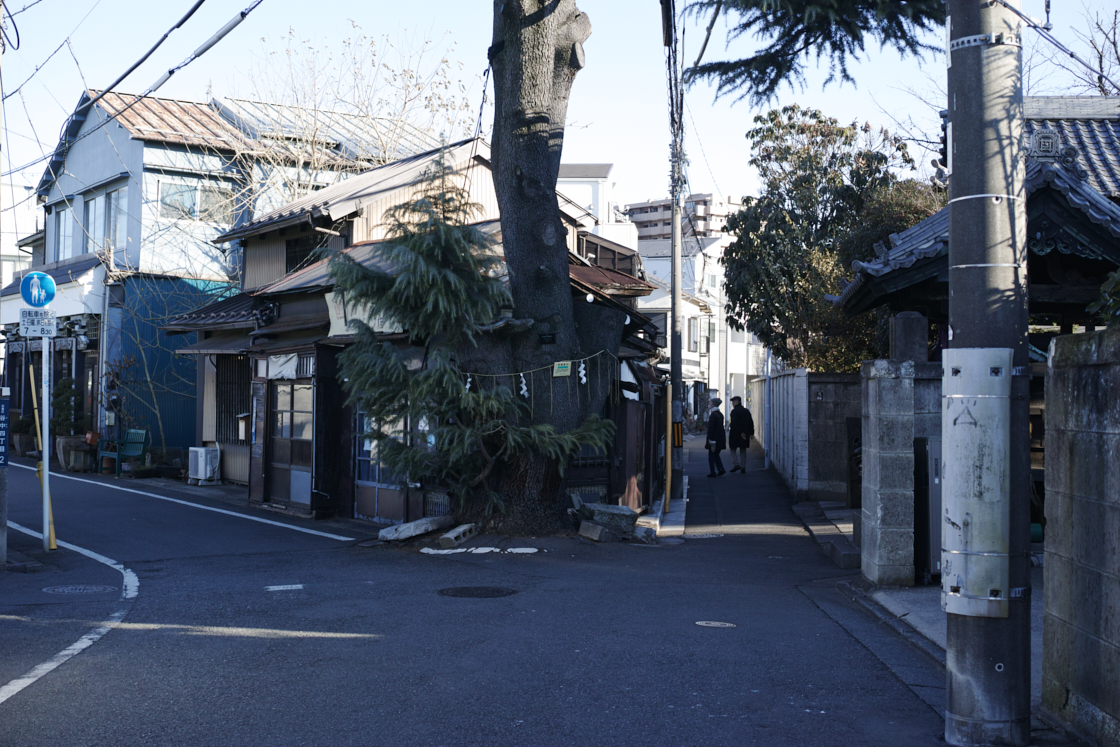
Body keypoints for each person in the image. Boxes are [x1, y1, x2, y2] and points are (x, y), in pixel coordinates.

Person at [727, 395, 755, 473]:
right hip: (745, 433)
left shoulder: (734, 412)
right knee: (743, 450)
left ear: (737, 402)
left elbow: (735, 423)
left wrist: (740, 432)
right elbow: (750, 422)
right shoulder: (746, 411)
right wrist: (751, 433)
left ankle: (736, 464)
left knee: (733, 449)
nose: (732, 403)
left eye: (733, 401)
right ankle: (743, 466)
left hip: (736, 433)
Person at [705, 397, 726, 477]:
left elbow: (711, 428)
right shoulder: (720, 414)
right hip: (720, 438)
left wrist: (710, 438)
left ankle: (713, 472)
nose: (709, 404)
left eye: (710, 403)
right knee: (716, 454)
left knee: (711, 456)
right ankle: (721, 469)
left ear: (713, 404)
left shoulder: (713, 415)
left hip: (714, 438)